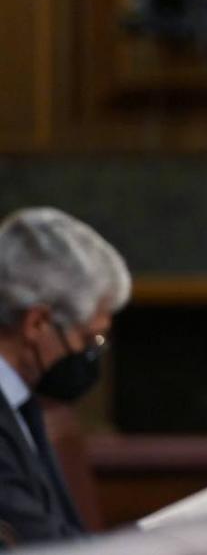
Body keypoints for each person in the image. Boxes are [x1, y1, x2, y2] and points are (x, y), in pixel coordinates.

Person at [0, 208, 130, 543]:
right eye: (88, 338)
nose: (90, 354)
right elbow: (39, 546)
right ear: (37, 324)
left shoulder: (22, 404)